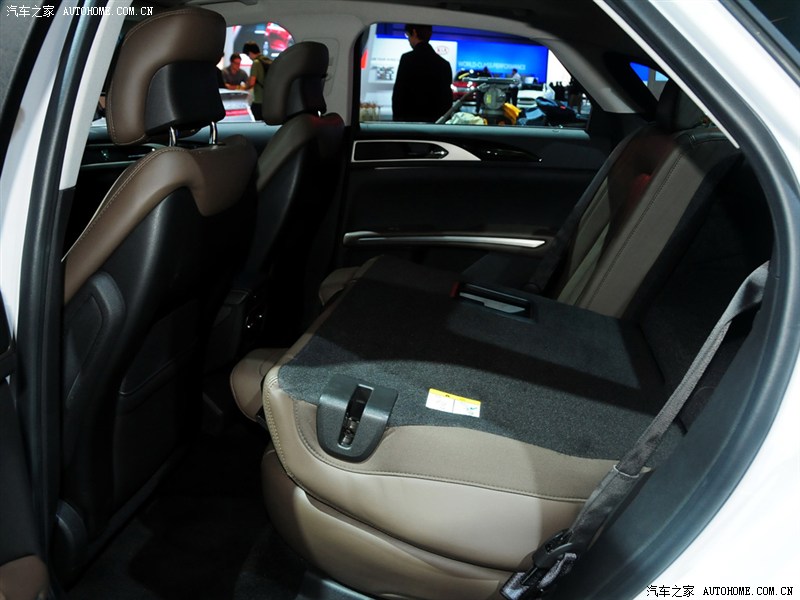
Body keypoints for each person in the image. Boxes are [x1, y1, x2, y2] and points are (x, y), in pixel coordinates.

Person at [392, 24, 453, 123]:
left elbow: (398, 94)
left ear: (414, 33)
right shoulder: (444, 64)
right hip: (434, 124)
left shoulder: (407, 59)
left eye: (408, 35)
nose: (408, 40)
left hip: (409, 123)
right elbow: (447, 101)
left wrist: (397, 121)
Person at [242, 41, 272, 121]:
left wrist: (243, 88)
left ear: (250, 53)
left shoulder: (256, 63)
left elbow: (252, 82)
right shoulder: (266, 60)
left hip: (259, 100)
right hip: (269, 99)